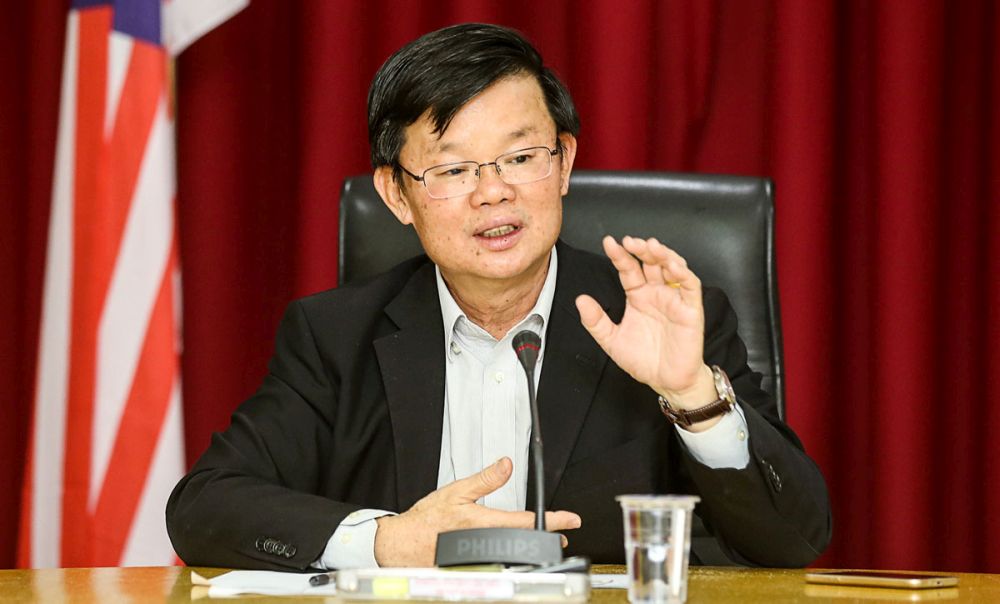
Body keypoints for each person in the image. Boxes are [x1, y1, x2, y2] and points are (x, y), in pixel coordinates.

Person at [166, 22, 831, 570]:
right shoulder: (335, 335)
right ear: (397, 194)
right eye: (453, 169)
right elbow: (205, 508)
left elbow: (795, 541)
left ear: (564, 162)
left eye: (520, 158)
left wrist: (695, 399)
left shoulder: (658, 321)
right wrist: (390, 542)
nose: (493, 193)